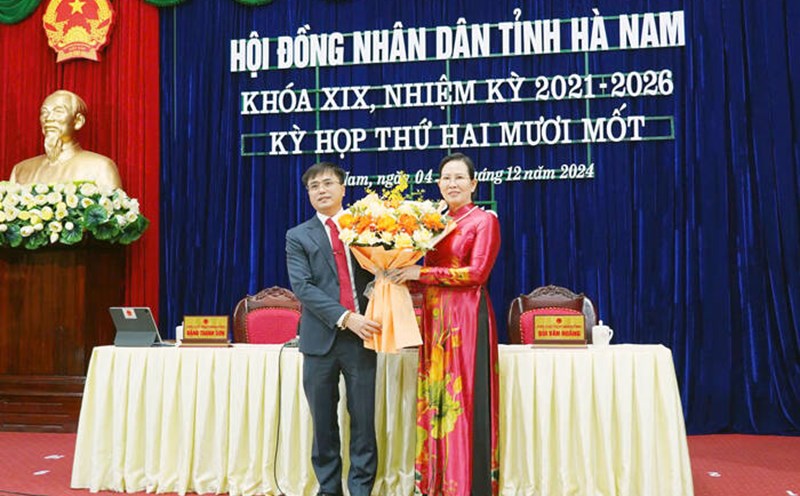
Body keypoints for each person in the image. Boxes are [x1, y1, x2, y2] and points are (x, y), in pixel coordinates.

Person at [388, 152, 501, 496]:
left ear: (473, 184)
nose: (452, 184)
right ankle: (437, 481)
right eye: (446, 178)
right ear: (438, 184)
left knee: (463, 398)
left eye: (459, 178)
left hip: (467, 317)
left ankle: (468, 484)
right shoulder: (432, 223)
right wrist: (393, 275)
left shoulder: (484, 221)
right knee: (435, 398)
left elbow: (477, 274)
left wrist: (420, 272)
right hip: (435, 319)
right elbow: (421, 276)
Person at [285, 162, 382, 496]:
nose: (321, 190)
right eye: (314, 186)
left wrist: (380, 292)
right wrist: (346, 317)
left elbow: (379, 274)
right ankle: (329, 489)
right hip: (319, 340)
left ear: (343, 188)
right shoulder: (297, 236)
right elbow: (303, 287)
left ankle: (361, 489)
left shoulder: (367, 229)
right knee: (324, 423)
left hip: (362, 338)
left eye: (328, 183)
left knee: (363, 421)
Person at [9, 90, 122, 189]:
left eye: (58, 111)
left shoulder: (100, 167)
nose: (48, 118)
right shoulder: (21, 170)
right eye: (44, 112)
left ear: (78, 121)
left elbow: (112, 212)